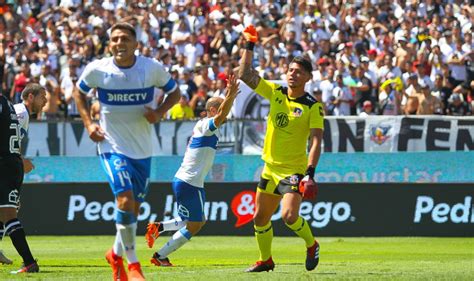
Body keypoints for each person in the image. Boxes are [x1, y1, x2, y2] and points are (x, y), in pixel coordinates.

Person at [73, 22, 181, 281]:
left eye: (124, 39)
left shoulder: (150, 68)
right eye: (115, 39)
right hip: (111, 146)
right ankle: (133, 265)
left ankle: (115, 253)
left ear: (135, 44)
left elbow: (175, 93)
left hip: (142, 151)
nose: (119, 43)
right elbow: (79, 93)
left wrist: (159, 112)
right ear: (109, 44)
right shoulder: (98, 70)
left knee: (133, 208)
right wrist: (89, 124)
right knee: (124, 199)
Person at [238, 25, 324, 272]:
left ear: (308, 78)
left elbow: (316, 140)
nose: (292, 75)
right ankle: (265, 260)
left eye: (298, 72)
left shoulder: (313, 107)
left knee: (289, 217)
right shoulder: (275, 92)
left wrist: (310, 172)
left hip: (293, 171)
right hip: (269, 168)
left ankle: (311, 244)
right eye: (290, 70)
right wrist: (250, 44)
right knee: (259, 218)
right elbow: (245, 73)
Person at [145, 74, 240, 266]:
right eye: (222, 107)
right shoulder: (206, 125)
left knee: (197, 220)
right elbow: (222, 114)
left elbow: (222, 114)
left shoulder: (207, 127)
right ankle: (160, 256)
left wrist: (229, 97)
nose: (227, 112)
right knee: (194, 224)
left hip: (191, 182)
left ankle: (158, 227)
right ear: (212, 110)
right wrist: (230, 95)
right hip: (189, 182)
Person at [0, 83, 46, 273]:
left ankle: (28, 262)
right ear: (30, 97)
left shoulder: (17, 111)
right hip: (9, 164)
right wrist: (20, 159)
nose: (45, 102)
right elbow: (8, 137)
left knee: (7, 212)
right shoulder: (20, 111)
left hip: (7, 164)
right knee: (7, 212)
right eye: (42, 97)